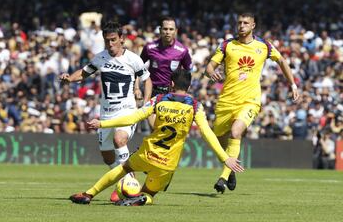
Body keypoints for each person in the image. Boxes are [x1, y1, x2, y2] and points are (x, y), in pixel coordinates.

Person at [69, 69, 244, 206]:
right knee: (149, 193)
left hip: (147, 154)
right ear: (189, 86)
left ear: (172, 83)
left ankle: (88, 194)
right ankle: (143, 199)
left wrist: (102, 124)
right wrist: (225, 158)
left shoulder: (158, 99)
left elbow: (132, 117)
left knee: (123, 168)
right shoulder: (195, 107)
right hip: (167, 163)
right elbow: (207, 134)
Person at [205, 12, 299, 194]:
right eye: (239, 22)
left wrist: (293, 84)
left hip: (250, 100)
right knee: (219, 141)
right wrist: (211, 73)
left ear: (253, 25)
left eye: (245, 23)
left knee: (235, 132)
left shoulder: (264, 46)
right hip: (226, 101)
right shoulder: (227, 45)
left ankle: (223, 177)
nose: (241, 26)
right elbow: (209, 66)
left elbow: (282, 61)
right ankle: (230, 168)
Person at [59, 21, 152, 180]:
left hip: (127, 110)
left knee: (119, 139)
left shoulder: (133, 59)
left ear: (121, 39)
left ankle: (131, 184)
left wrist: (147, 102)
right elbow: (84, 73)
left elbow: (147, 80)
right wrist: (70, 79)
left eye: (113, 39)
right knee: (107, 157)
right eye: (107, 40)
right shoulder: (100, 58)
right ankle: (123, 181)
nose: (110, 44)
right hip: (107, 113)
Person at [135, 17, 192, 98]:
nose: (168, 32)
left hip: (172, 93)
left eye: (171, 29)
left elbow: (188, 72)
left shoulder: (183, 50)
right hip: (152, 91)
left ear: (176, 31)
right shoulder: (149, 47)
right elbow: (137, 67)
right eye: (165, 29)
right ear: (160, 30)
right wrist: (136, 88)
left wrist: (184, 91)